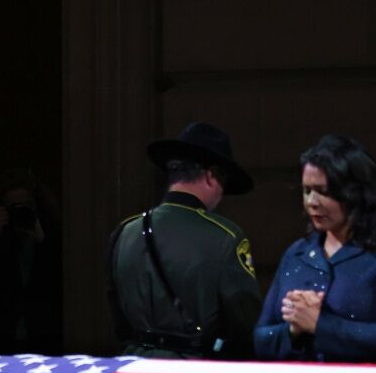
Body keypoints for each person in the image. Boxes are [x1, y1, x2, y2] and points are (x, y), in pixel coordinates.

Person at [253, 133, 376, 362]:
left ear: (356, 193)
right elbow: (261, 338)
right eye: (307, 191)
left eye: (323, 191)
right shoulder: (297, 254)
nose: (311, 202)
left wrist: (320, 324)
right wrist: (294, 330)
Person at [107, 122, 261, 358]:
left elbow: (118, 320)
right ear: (211, 176)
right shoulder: (225, 237)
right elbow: (244, 326)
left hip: (132, 372)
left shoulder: (124, 232)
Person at [0, 167, 63, 358]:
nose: (20, 212)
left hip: (43, 340)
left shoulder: (50, 235)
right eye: (13, 207)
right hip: (1, 342)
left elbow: (61, 283)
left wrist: (43, 241)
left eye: (26, 205)